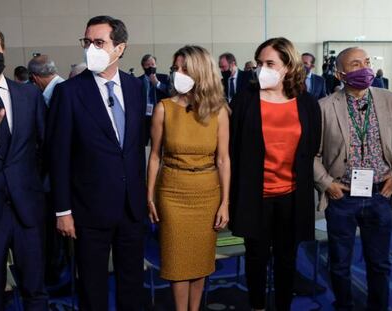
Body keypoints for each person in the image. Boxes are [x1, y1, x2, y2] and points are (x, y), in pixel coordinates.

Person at [47, 16, 146, 310]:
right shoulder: (69, 92)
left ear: (120, 48)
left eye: (99, 42)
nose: (91, 48)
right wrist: (62, 210)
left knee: (132, 282)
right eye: (87, 42)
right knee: (92, 286)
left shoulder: (134, 87)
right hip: (88, 209)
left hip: (131, 207)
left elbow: (133, 147)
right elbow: (58, 155)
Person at [229, 37, 321, 311]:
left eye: (270, 63)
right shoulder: (245, 99)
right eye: (259, 63)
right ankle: (257, 306)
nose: (262, 69)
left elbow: (311, 146)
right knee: (255, 258)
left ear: (288, 66)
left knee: (286, 259)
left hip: (292, 197)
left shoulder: (307, 103)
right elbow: (233, 148)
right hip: (254, 196)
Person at [147, 45, 230, 311]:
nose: (177, 74)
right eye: (176, 69)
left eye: (184, 68)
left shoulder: (219, 111)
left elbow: (223, 159)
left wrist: (225, 202)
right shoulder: (164, 108)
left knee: (201, 260)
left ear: (200, 72)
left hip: (207, 193)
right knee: (176, 260)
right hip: (172, 193)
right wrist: (149, 196)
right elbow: (155, 157)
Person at [314, 47, 392, 311]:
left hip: (381, 195)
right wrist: (327, 184)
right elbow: (310, 155)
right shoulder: (324, 107)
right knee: (339, 263)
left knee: (380, 263)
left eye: (367, 62)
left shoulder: (388, 100)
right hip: (342, 197)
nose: (365, 68)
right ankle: (344, 306)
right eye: (356, 64)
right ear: (340, 73)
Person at [0, 20, 48, 311]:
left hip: (28, 212)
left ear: (4, 50)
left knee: (36, 290)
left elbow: (45, 149)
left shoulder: (29, 95)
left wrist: (39, 192)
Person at [137, 54, 170, 145]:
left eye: (153, 64)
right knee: (142, 143)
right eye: (148, 65)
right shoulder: (137, 81)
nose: (151, 67)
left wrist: (157, 83)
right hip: (144, 117)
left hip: (159, 116)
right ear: (143, 66)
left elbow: (170, 93)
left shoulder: (164, 78)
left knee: (159, 143)